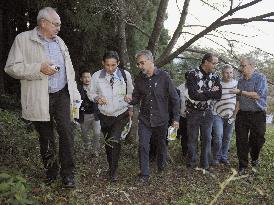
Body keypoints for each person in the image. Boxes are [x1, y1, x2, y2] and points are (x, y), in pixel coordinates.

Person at [4, 7, 81, 188]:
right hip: (40, 97)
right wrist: (39, 68)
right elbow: (11, 67)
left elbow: (69, 71)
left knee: (67, 134)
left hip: (62, 94)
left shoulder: (60, 42)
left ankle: (68, 175)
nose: (59, 28)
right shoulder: (23, 40)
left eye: (59, 24)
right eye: (56, 24)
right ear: (43, 23)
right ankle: (51, 172)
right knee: (46, 137)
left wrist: (75, 94)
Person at [125, 50, 180, 183]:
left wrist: (176, 119)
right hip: (145, 120)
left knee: (161, 145)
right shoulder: (139, 79)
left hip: (161, 119)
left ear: (151, 61)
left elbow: (175, 99)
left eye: (142, 63)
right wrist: (130, 99)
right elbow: (136, 97)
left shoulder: (164, 77)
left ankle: (161, 167)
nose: (140, 66)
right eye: (138, 64)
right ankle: (144, 174)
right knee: (143, 145)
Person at [87, 51, 134, 182]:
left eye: (113, 65)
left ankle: (113, 172)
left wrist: (130, 106)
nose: (110, 68)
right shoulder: (96, 76)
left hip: (121, 113)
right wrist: (97, 98)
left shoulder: (125, 75)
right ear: (103, 63)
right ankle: (111, 166)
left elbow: (131, 92)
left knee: (115, 140)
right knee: (109, 142)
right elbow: (90, 93)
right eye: (107, 65)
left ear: (118, 63)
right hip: (105, 115)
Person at [230, 57, 268, 175]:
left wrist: (240, 92)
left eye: (243, 66)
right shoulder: (240, 81)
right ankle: (242, 165)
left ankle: (255, 158)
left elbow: (258, 95)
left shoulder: (260, 78)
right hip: (242, 115)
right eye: (241, 66)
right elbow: (238, 100)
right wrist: (234, 114)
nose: (241, 68)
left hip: (258, 114)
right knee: (241, 140)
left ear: (252, 65)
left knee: (257, 139)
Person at [185, 53, 222, 171]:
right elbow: (193, 95)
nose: (215, 66)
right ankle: (192, 163)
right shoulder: (192, 74)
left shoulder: (215, 77)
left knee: (207, 138)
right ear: (206, 62)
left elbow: (218, 95)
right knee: (192, 139)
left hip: (208, 112)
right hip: (193, 112)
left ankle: (205, 163)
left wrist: (203, 93)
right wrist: (210, 92)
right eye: (214, 63)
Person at [211, 65, 237, 165]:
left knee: (227, 137)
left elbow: (238, 100)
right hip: (217, 114)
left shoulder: (236, 84)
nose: (229, 75)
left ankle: (224, 157)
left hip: (230, 115)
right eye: (226, 72)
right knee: (218, 136)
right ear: (222, 73)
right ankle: (216, 157)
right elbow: (212, 98)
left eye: (231, 72)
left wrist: (234, 115)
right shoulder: (218, 84)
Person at [78, 69, 101, 156]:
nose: (87, 79)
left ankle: (95, 150)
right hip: (84, 115)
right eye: (84, 77)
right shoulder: (78, 89)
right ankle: (87, 147)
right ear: (81, 79)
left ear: (91, 78)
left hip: (95, 114)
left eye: (88, 77)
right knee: (84, 133)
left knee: (97, 133)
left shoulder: (96, 88)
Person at [177, 72, 188, 157]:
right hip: (182, 115)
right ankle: (184, 152)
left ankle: (192, 152)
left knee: (192, 135)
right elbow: (177, 102)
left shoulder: (197, 86)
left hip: (194, 116)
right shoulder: (180, 88)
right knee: (184, 134)